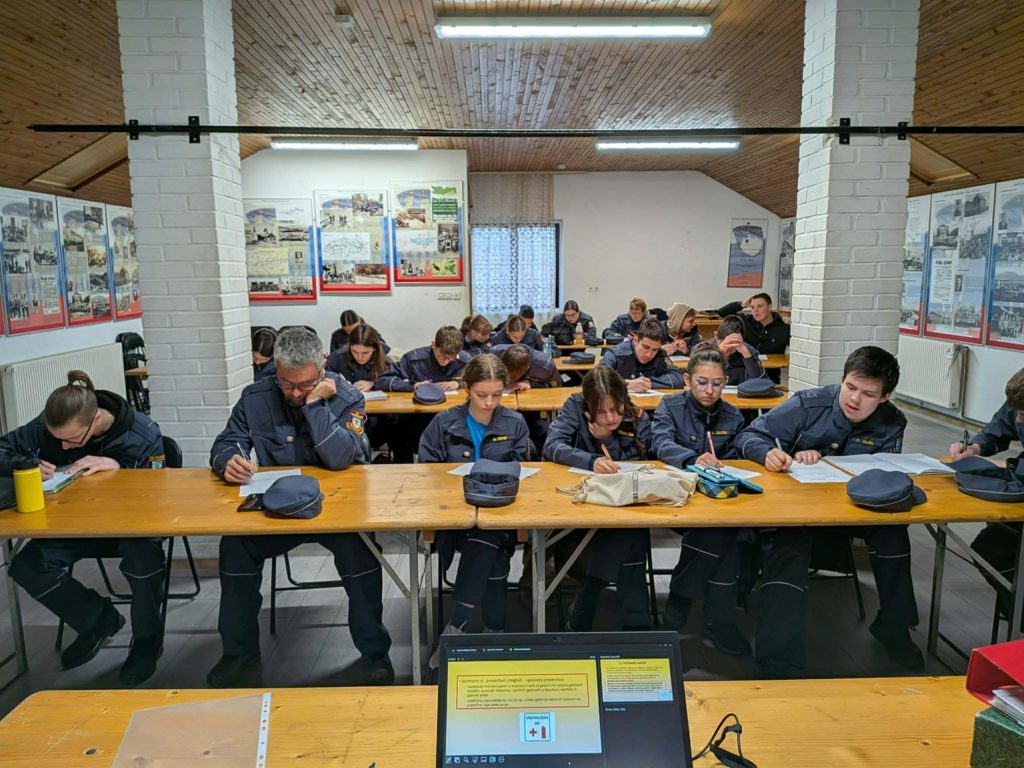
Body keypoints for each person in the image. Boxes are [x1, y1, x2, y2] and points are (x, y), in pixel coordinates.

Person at [207, 327, 393, 687]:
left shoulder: (347, 396)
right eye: (286, 383)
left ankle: (374, 651)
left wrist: (315, 405)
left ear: (322, 367)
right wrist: (227, 459)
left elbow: (341, 458)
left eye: (304, 384)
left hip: (338, 510)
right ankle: (238, 655)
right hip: (277, 507)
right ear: (276, 370)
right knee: (234, 547)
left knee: (362, 553)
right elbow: (228, 440)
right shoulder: (256, 396)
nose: (294, 392)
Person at [735, 346, 922, 676]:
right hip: (798, 508)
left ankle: (894, 625)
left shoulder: (893, 421)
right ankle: (778, 659)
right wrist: (766, 453)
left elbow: (885, 472)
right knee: (788, 546)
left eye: (868, 394)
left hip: (855, 509)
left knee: (894, 532)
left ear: (885, 397)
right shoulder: (808, 404)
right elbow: (749, 435)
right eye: (850, 387)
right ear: (842, 379)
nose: (855, 399)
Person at [3, 371, 166, 685]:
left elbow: (163, 482)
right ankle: (97, 619)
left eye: (72, 439)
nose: (64, 447)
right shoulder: (47, 428)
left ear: (96, 419)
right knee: (27, 565)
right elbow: (2, 449)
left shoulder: (142, 432)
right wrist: (23, 464)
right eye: (58, 439)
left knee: (144, 563)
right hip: (74, 526)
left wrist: (121, 467)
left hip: (131, 526)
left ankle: (147, 642)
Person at [419, 354, 530, 665]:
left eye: (497, 394)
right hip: (454, 517)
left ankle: (458, 623)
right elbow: (425, 473)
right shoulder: (443, 423)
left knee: (489, 537)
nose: (489, 403)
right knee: (491, 550)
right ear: (467, 388)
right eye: (482, 395)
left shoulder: (515, 423)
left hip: (502, 515)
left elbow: (525, 470)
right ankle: (495, 629)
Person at [650, 344, 750, 656]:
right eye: (702, 382)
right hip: (680, 496)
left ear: (726, 381)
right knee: (722, 533)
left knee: (724, 532)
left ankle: (680, 603)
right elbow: (659, 443)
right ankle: (720, 620)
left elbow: (743, 452)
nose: (709, 390)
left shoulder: (732, 414)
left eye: (717, 383)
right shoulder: (670, 406)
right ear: (687, 379)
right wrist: (692, 458)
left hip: (722, 499)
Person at [543, 366, 654, 631]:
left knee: (631, 530)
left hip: (624, 502)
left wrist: (608, 440)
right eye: (601, 412)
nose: (610, 417)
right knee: (632, 534)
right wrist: (590, 460)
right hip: (581, 500)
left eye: (616, 409)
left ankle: (589, 597)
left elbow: (646, 459)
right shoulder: (574, 405)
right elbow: (552, 446)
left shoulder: (636, 415)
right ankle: (636, 620)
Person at [949, 367, 1024, 624]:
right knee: (989, 548)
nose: (1020, 419)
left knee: (993, 549)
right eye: (1018, 413)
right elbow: (995, 431)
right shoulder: (1020, 398)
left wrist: (1012, 466)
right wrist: (974, 448)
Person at [375, 326, 469, 461]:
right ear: (434, 345)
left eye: (451, 358)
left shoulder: (464, 360)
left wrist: (459, 383)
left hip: (452, 416)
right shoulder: (414, 359)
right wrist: (413, 386)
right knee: (397, 425)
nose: (446, 361)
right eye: (442, 356)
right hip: (417, 417)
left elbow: (478, 381)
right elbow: (382, 381)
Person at [326, 324, 390, 449]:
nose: (360, 357)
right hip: (344, 411)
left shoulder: (384, 360)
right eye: (355, 352)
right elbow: (326, 380)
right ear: (349, 346)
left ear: (374, 349)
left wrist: (373, 383)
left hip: (377, 414)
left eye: (365, 353)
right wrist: (341, 386)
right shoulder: (338, 357)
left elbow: (393, 380)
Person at [495, 342, 560, 455]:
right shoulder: (494, 354)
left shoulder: (545, 365)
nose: (510, 380)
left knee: (540, 430)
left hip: (532, 412)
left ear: (527, 367)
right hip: (499, 408)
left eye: (514, 377)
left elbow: (556, 387)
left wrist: (532, 384)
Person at [717, 293, 791, 383]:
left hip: (771, 376)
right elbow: (721, 313)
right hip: (745, 375)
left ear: (769, 307)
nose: (755, 311)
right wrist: (742, 305)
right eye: (752, 307)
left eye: (759, 306)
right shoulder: (745, 321)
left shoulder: (784, 329)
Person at [599, 318, 685, 391]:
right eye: (645, 347)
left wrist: (648, 383)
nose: (649, 355)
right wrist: (626, 384)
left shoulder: (660, 354)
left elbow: (678, 378)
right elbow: (599, 377)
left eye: (654, 350)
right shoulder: (616, 353)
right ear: (635, 340)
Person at [715, 315, 766, 384]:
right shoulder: (704, 348)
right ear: (716, 336)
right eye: (725, 343)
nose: (728, 349)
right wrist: (718, 353)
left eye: (733, 346)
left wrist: (746, 354)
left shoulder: (749, 351)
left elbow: (759, 382)